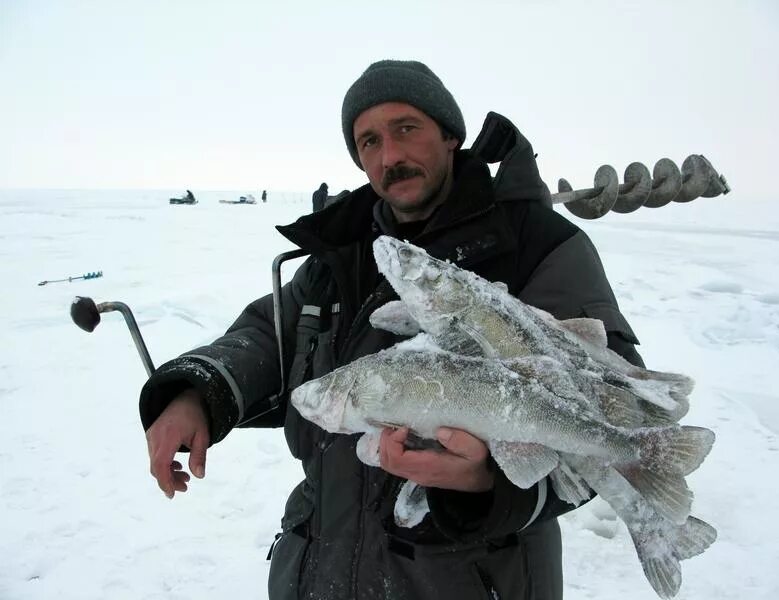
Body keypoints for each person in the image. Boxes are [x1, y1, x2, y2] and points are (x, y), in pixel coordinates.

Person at [140, 59, 644, 600]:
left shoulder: (536, 246)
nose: (391, 157)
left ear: (449, 135)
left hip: (471, 580)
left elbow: (616, 411)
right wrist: (198, 391)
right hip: (322, 570)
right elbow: (270, 333)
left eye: (407, 129)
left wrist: (487, 484)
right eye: (369, 142)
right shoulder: (340, 255)